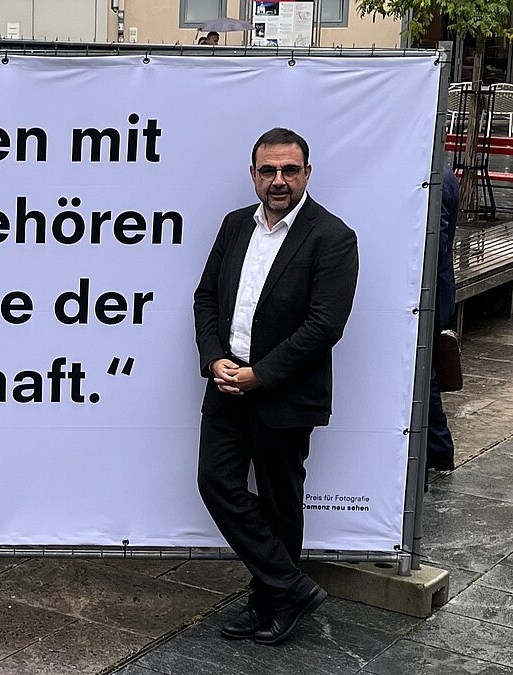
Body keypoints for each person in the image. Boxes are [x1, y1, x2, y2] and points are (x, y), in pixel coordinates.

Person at [192, 127, 359, 646]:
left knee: (279, 500)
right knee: (216, 483)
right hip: (226, 383)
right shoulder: (235, 225)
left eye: (290, 170)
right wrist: (214, 357)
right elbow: (205, 299)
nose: (279, 180)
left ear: (307, 173)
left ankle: (270, 600)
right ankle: (288, 587)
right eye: (269, 171)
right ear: (253, 175)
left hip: (283, 392)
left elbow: (324, 326)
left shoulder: (333, 237)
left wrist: (259, 374)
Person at [427, 163, 460, 480]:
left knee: (426, 374)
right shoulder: (443, 172)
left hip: (431, 295)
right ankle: (438, 450)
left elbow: (432, 247)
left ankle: (438, 450)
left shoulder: (436, 178)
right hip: (438, 290)